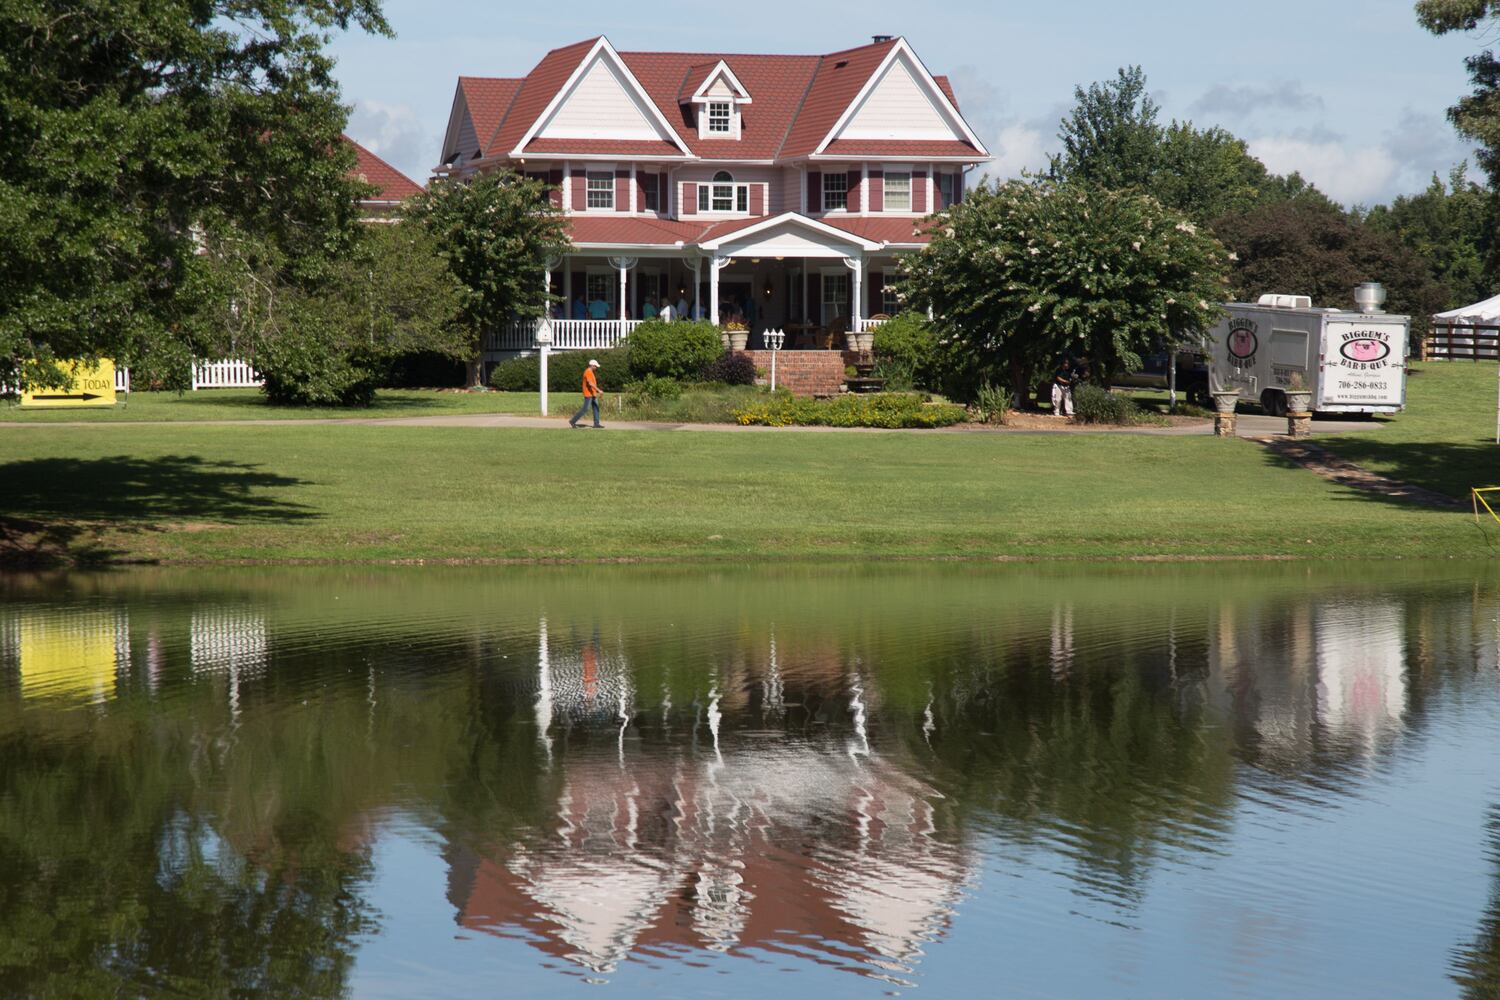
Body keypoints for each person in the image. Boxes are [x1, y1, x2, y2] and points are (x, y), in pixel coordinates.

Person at [569, 359, 603, 429]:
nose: (596, 368)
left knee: (596, 408)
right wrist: (599, 390)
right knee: (585, 409)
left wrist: (595, 392)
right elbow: (590, 383)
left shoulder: (591, 372)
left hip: (593, 394)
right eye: (596, 366)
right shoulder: (588, 372)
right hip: (588, 394)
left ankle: (596, 424)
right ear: (592, 365)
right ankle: (572, 421)